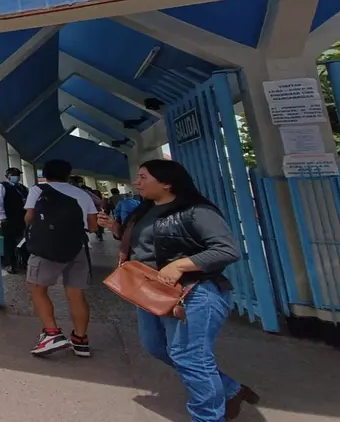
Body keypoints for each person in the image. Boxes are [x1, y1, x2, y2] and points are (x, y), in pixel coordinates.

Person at [98, 160, 258, 422]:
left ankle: (207, 417)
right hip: (150, 291)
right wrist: (114, 228)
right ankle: (230, 390)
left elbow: (227, 250)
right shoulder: (143, 210)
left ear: (167, 182)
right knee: (156, 347)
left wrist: (181, 265)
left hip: (192, 293)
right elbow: (145, 244)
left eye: (143, 177)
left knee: (190, 356)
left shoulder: (196, 211)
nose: (136, 182)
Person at [24, 159, 99, 357]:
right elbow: (93, 226)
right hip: (78, 246)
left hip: (47, 246)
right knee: (76, 295)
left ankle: (51, 333)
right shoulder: (82, 194)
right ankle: (81, 340)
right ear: (68, 174)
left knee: (37, 288)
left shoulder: (38, 190)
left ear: (45, 173)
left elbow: (29, 217)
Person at [0, 167, 28, 274]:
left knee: (24, 241)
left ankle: (24, 262)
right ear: (7, 176)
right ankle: (9, 264)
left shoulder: (22, 188)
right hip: (9, 219)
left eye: (18, 174)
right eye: (13, 174)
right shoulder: (2, 186)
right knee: (9, 242)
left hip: (22, 218)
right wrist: (2, 217)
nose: (16, 177)